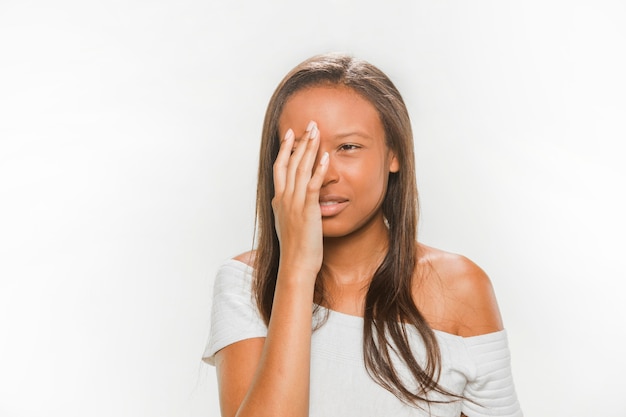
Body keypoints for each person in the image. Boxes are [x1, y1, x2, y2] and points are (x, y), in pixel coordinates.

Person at [203, 53, 523, 417]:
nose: (323, 175)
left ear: (394, 154)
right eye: (299, 151)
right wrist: (296, 268)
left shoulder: (461, 287)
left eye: (348, 147)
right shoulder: (246, 282)